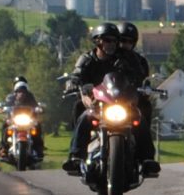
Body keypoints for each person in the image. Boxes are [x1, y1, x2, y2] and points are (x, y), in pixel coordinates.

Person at [63, 22, 159, 177]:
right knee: (84, 116)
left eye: (115, 41)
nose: (112, 44)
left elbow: (139, 75)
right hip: (97, 103)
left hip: (121, 102)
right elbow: (76, 74)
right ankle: (76, 156)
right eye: (108, 40)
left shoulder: (125, 58)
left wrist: (140, 81)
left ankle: (147, 159)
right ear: (97, 41)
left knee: (139, 119)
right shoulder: (87, 59)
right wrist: (72, 82)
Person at [0, 75, 44, 159]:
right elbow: (6, 106)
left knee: (37, 126)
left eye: (23, 90)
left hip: (28, 120)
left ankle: (38, 149)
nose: (21, 93)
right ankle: (4, 148)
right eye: (19, 90)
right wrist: (3, 109)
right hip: (14, 120)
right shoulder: (10, 97)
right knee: (5, 126)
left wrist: (39, 109)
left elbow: (36, 106)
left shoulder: (30, 97)